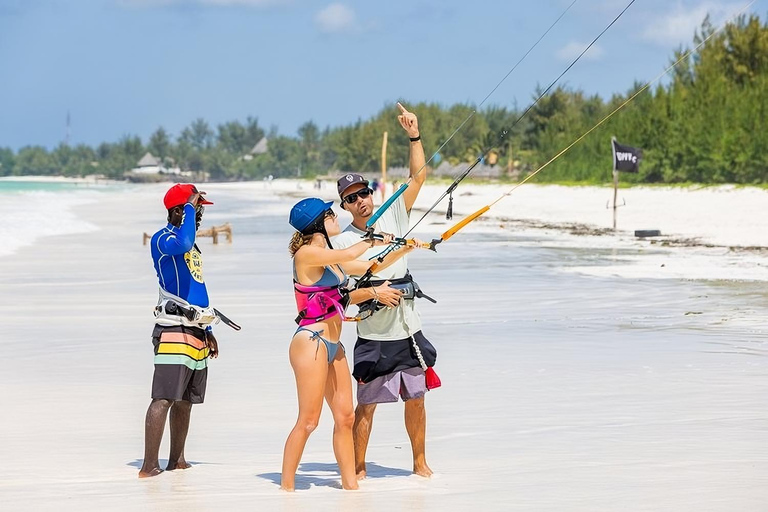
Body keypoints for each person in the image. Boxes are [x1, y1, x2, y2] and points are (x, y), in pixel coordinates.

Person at [332, 103, 437, 479]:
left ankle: (419, 462)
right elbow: (342, 296)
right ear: (344, 205)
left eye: (364, 193)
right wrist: (375, 293)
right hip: (374, 335)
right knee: (366, 406)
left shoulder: (394, 214)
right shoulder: (343, 240)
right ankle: (358, 467)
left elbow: (419, 177)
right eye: (351, 198)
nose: (361, 200)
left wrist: (414, 134)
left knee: (417, 399)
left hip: (408, 329)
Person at [280, 197, 412, 491]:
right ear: (319, 223)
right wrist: (373, 238)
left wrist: (404, 247)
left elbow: (367, 265)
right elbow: (354, 250)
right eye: (331, 214)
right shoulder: (306, 255)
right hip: (310, 343)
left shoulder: (329, 257)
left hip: (333, 344)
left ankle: (351, 487)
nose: (337, 217)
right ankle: (286, 491)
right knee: (309, 421)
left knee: (346, 417)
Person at [139, 183, 221, 478]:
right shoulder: (163, 240)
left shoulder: (191, 243)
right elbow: (184, 242)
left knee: (186, 400)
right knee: (163, 397)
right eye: (197, 209)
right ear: (177, 211)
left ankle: (177, 460)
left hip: (195, 329)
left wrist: (208, 328)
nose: (199, 215)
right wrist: (188, 206)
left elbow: (198, 287)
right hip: (173, 328)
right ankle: (149, 465)